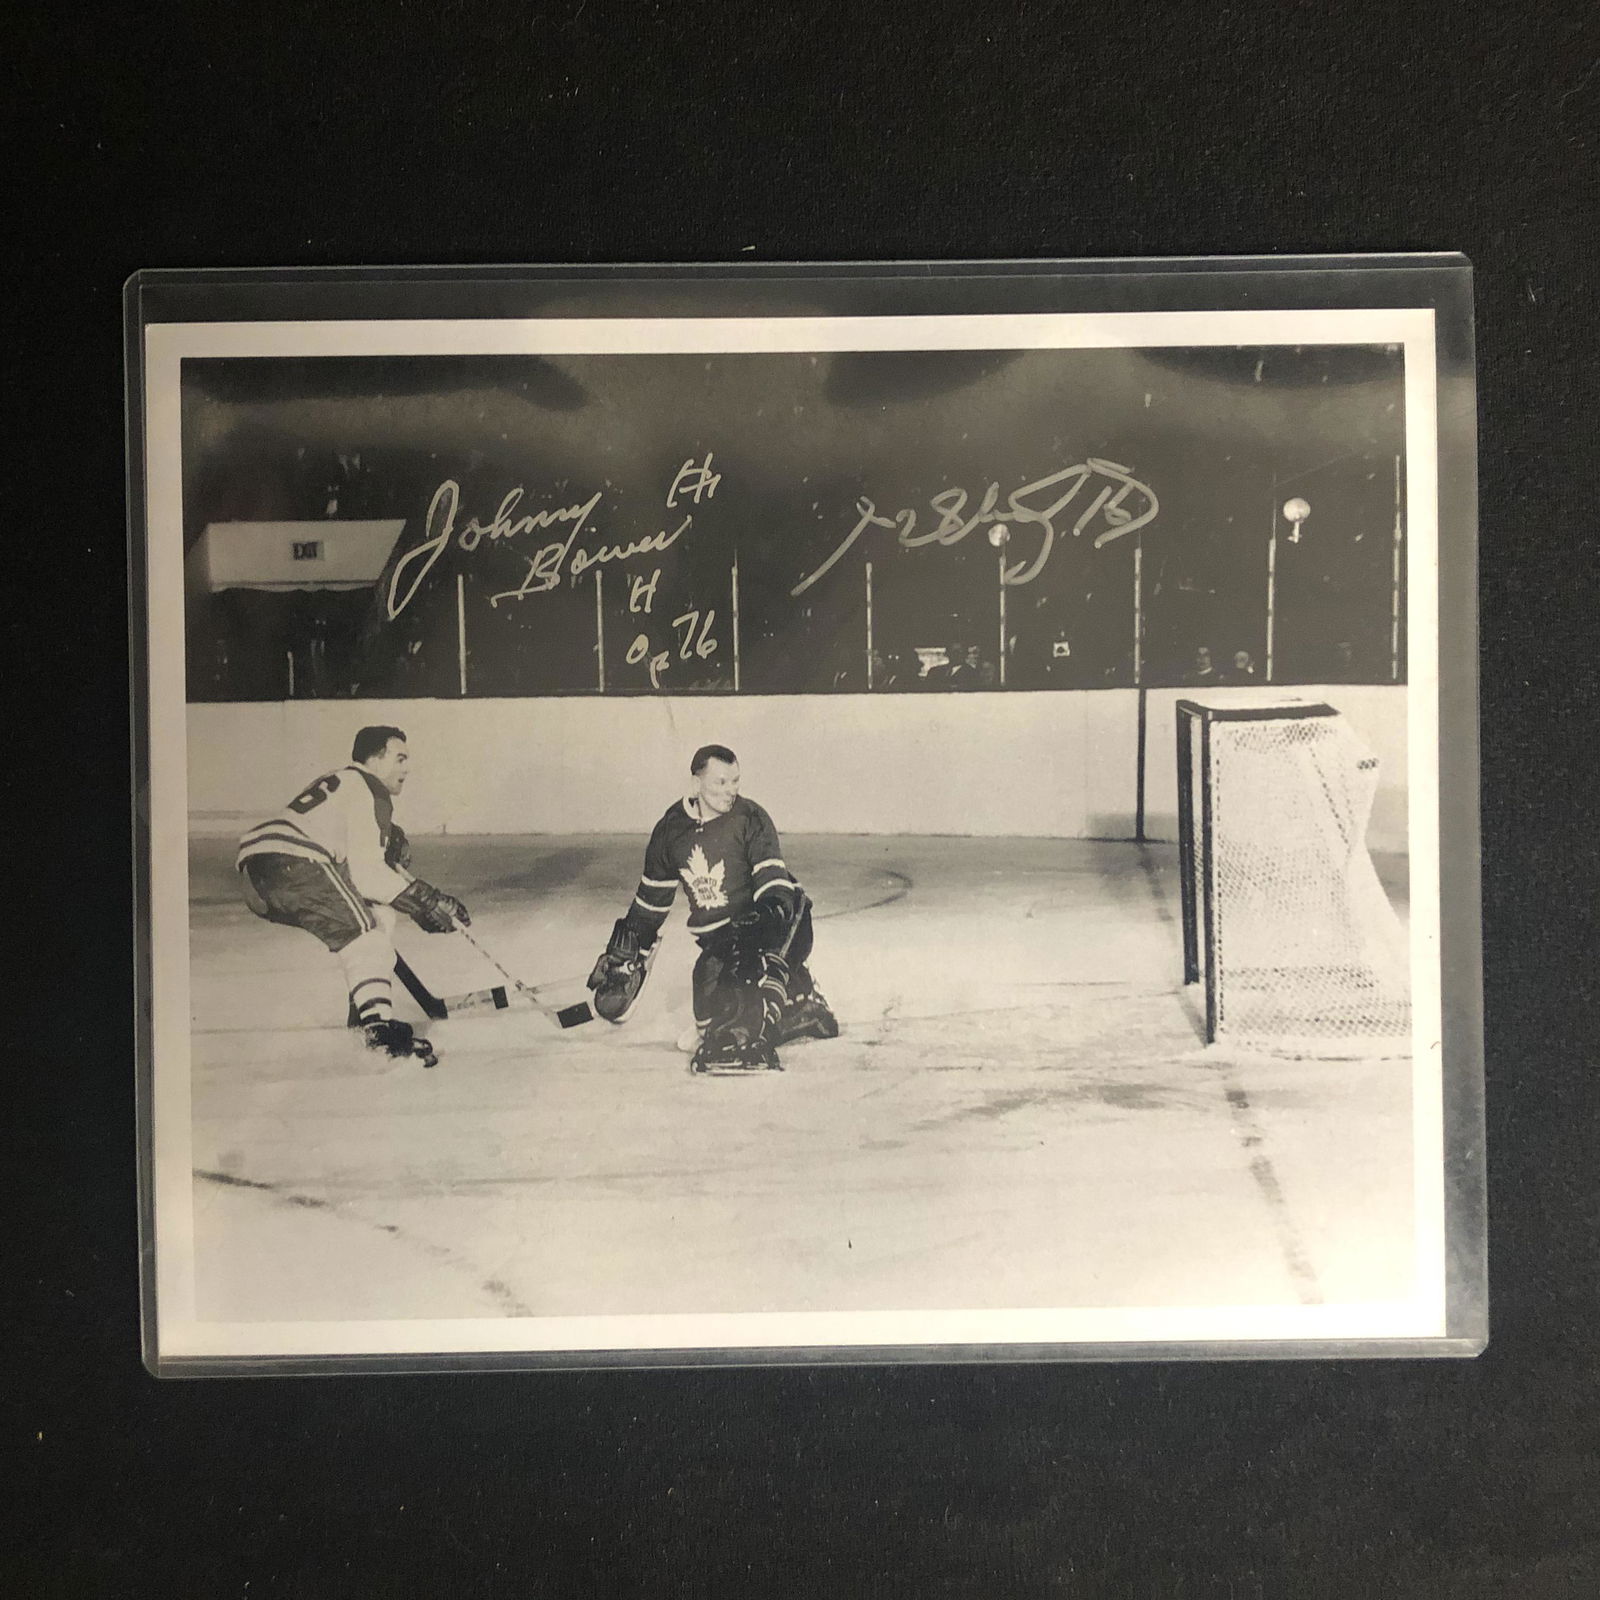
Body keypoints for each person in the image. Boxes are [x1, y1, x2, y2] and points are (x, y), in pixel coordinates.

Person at [587, 745, 838, 1072]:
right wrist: (627, 952)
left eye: (735, 781)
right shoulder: (670, 832)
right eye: (720, 782)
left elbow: (775, 886)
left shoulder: (751, 818)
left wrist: (764, 919)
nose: (730, 790)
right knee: (710, 1014)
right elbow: (650, 904)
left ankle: (772, 1013)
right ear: (696, 785)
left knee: (745, 1006)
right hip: (723, 942)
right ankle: (800, 1006)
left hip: (778, 927)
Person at [235, 726, 472, 1065]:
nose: (407, 769)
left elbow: (358, 876)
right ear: (374, 759)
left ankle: (366, 1014)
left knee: (375, 918)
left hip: (258, 872)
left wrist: (409, 901)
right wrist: (428, 901)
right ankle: (379, 1035)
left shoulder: (342, 781)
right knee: (367, 937)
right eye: (400, 758)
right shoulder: (371, 790)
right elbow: (368, 875)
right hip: (291, 864)